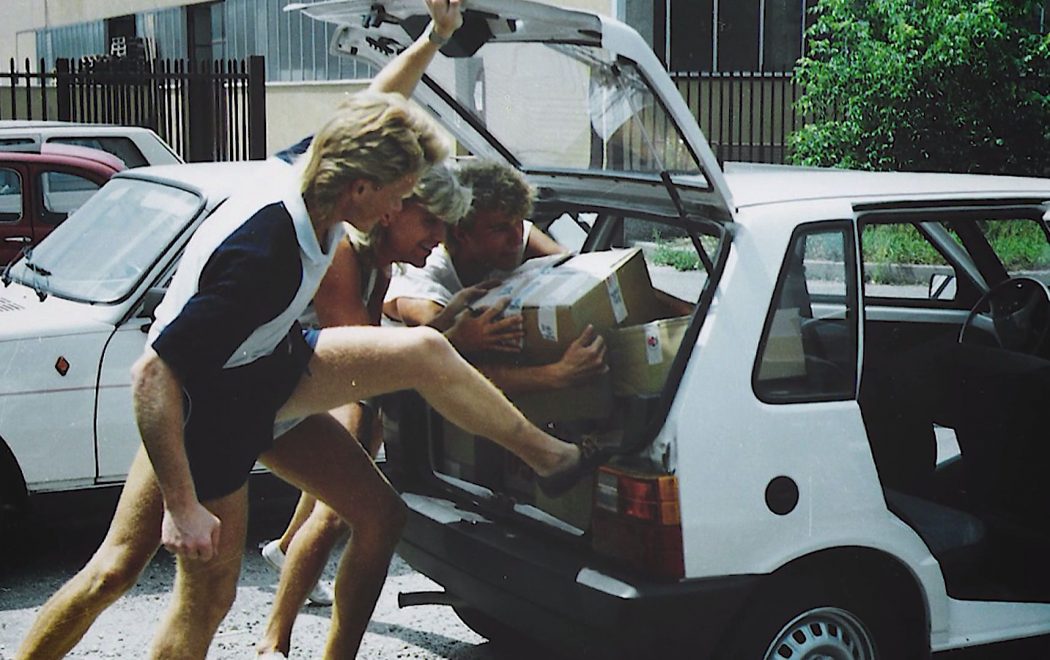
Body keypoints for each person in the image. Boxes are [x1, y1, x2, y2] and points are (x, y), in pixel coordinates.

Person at [15, 3, 609, 659]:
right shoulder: (264, 252)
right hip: (210, 408)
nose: (399, 209)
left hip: (268, 365)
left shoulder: (316, 171)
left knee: (408, 410)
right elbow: (153, 373)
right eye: (399, 195)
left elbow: (381, 97)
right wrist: (183, 506)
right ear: (362, 188)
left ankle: (552, 460)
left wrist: (434, 37)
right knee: (167, 588)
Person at [253, 161, 475, 657]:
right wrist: (456, 335)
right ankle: (274, 639)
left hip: (324, 387)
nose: (438, 238)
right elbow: (357, 349)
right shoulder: (345, 255)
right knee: (334, 514)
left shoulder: (379, 262)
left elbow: (371, 344)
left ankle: (284, 611)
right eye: (430, 222)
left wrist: (453, 319)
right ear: (394, 210)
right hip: (287, 390)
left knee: (348, 511)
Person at [385, 159, 609, 394]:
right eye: (500, 229)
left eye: (518, 223)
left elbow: (573, 271)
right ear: (462, 233)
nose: (516, 239)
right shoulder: (422, 275)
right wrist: (555, 375)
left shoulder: (509, 236)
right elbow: (449, 365)